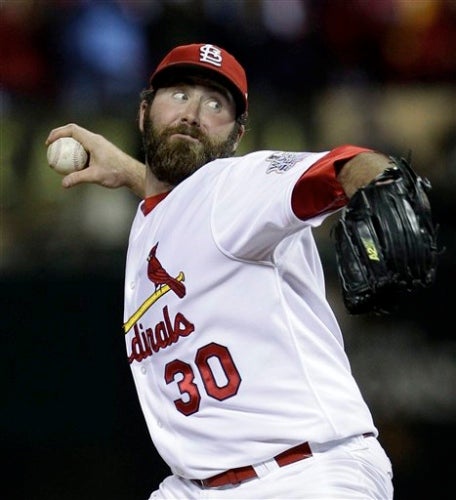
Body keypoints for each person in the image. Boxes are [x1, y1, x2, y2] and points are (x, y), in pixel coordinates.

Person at [46, 43, 394, 499]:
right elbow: (177, 205)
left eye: (215, 104)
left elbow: (344, 165)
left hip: (305, 474)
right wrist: (134, 173)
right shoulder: (160, 218)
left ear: (237, 135)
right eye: (179, 95)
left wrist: (384, 183)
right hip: (193, 487)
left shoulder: (239, 184)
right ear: (143, 112)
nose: (193, 114)